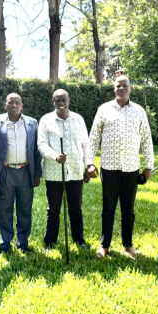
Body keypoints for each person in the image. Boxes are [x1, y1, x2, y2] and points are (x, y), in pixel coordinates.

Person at [89, 75, 154, 259]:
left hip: (131, 169)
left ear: (130, 88)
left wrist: (148, 166)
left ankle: (128, 245)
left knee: (128, 209)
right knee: (108, 209)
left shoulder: (139, 111)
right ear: (114, 88)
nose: (121, 88)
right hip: (109, 167)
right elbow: (94, 137)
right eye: (118, 86)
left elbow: (146, 139)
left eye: (125, 86)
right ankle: (105, 245)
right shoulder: (104, 109)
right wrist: (89, 163)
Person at [38, 89, 94, 250]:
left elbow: (85, 144)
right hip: (54, 171)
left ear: (68, 101)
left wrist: (89, 165)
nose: (61, 103)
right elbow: (41, 144)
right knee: (53, 209)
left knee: (76, 208)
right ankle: (50, 242)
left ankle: (79, 240)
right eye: (57, 100)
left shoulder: (78, 119)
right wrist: (55, 156)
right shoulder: (46, 120)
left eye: (63, 100)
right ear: (53, 102)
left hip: (75, 170)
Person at [0, 93, 42, 254]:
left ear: (22, 105)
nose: (14, 105)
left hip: (25, 172)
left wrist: (36, 173)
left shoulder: (32, 123)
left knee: (25, 209)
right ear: (6, 105)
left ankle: (23, 244)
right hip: (5, 172)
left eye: (17, 103)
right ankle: (5, 245)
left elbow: (35, 151)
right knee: (4, 210)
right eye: (11, 102)